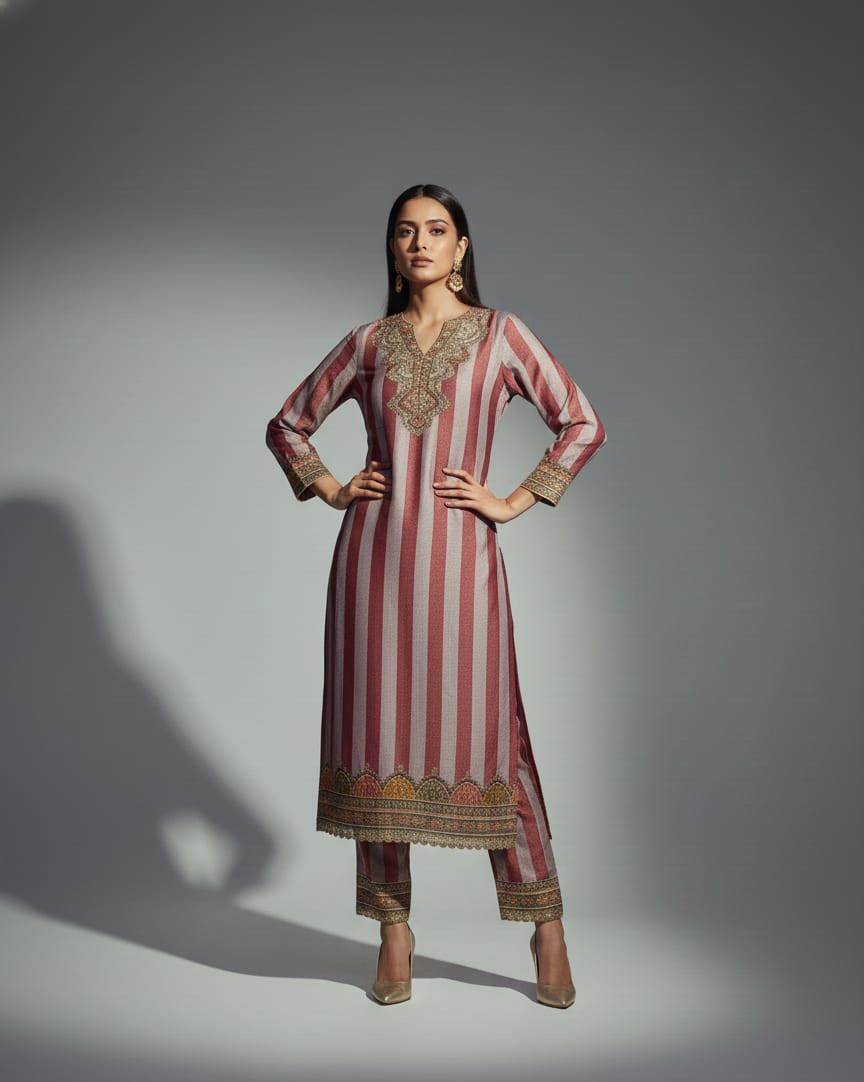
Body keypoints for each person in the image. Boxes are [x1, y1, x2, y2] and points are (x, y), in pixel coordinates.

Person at [265, 183, 607, 1007]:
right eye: (406, 232)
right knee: (377, 745)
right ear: (393, 250)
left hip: (462, 563)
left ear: (462, 247)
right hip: (372, 567)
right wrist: (334, 487)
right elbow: (287, 424)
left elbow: (581, 421)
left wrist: (515, 499)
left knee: (497, 741)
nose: (420, 243)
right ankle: (393, 934)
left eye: (437, 230)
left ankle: (546, 927)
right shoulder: (369, 342)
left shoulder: (502, 336)